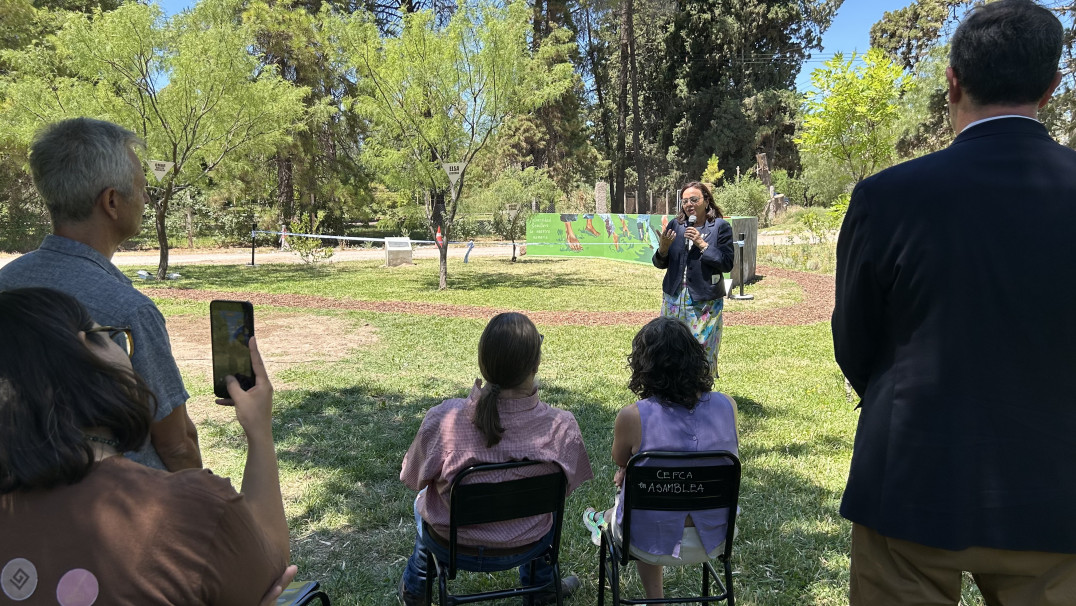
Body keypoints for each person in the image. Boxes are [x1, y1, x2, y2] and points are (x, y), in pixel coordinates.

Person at [832, 2, 1076, 603]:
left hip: (910, 477)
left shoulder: (888, 197)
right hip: (1057, 490)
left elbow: (855, 339)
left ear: (953, 79)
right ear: (1053, 84)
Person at [0, 288, 291, 604]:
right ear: (87, 348)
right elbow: (272, 565)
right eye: (111, 335)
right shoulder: (193, 510)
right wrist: (259, 431)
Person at [0, 117, 200, 472]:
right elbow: (176, 444)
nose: (145, 199)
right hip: (130, 509)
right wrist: (205, 511)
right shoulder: (128, 311)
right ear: (111, 202)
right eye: (140, 189)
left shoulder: (6, 283)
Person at [397, 312, 593, 605]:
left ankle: (417, 587)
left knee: (424, 504)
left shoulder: (443, 420)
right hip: (529, 543)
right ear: (535, 364)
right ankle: (542, 589)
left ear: (483, 361)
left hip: (452, 544)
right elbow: (564, 490)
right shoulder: (562, 427)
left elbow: (411, 479)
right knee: (545, 514)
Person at [581, 316, 739, 601]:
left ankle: (654, 597)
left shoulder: (632, 416)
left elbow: (619, 459)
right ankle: (603, 518)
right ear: (695, 358)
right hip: (716, 535)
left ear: (644, 367)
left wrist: (627, 471)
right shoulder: (728, 406)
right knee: (649, 498)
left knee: (643, 501)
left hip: (644, 540)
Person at [654, 182, 735, 377]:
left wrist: (701, 243)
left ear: (706, 201)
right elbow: (660, 263)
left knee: (700, 349)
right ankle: (671, 391)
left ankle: (700, 392)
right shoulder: (676, 225)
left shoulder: (720, 228)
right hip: (674, 299)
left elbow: (726, 263)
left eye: (694, 199)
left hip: (704, 302)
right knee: (670, 347)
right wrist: (663, 248)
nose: (689, 204)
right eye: (685, 201)